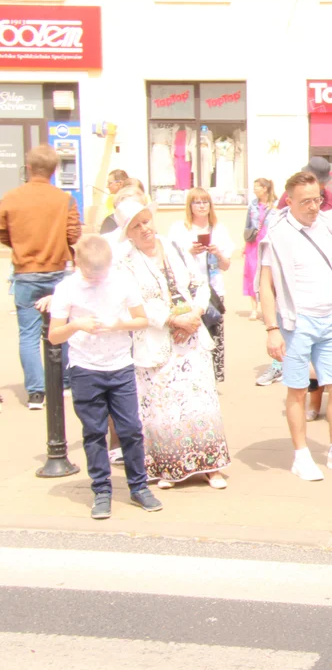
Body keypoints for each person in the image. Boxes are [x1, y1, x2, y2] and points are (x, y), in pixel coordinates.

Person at [113, 197, 231, 490]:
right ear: (127, 232)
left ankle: (210, 466)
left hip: (191, 333)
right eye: (136, 225)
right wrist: (171, 320)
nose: (144, 229)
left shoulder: (173, 245)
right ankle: (170, 467)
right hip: (156, 340)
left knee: (200, 401)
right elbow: (133, 303)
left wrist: (195, 314)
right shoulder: (124, 261)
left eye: (146, 221)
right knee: (164, 407)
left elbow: (198, 284)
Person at [47, 234, 160, 519]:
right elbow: (53, 335)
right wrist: (78, 325)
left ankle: (138, 486)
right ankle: (101, 490)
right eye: (91, 273)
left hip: (120, 366)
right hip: (86, 369)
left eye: (102, 272)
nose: (98, 278)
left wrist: (119, 324)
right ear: (78, 263)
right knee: (94, 432)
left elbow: (142, 319)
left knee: (131, 429)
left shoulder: (122, 280)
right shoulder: (66, 289)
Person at [260, 171, 332, 481]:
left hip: (328, 317)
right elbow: (265, 286)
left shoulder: (328, 229)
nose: (313, 206)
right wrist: (271, 329)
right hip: (295, 321)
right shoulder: (277, 235)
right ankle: (301, 455)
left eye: (317, 199)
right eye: (305, 201)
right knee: (297, 389)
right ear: (289, 201)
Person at [0, 144, 81, 409]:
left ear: (29, 168)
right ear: (54, 171)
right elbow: (74, 235)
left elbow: (2, 233)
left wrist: (21, 247)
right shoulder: (64, 199)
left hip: (25, 272)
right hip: (58, 272)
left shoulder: (10, 198)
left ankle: (36, 392)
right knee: (61, 328)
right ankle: (65, 382)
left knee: (28, 333)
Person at [168, 188, 234, 383]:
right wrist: (190, 252)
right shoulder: (179, 228)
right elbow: (170, 262)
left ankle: (211, 379)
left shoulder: (219, 229)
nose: (202, 205)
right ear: (190, 206)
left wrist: (218, 253)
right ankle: (188, 377)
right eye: (197, 202)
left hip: (213, 290)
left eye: (205, 201)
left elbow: (226, 265)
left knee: (214, 335)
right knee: (188, 334)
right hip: (188, 292)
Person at [244, 177, 276, 321]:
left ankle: (271, 308)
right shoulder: (253, 205)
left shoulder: (275, 206)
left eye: (257, 187)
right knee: (252, 274)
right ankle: (254, 309)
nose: (254, 189)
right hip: (254, 244)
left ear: (265, 189)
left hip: (269, 243)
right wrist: (245, 243)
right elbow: (248, 225)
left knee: (269, 275)